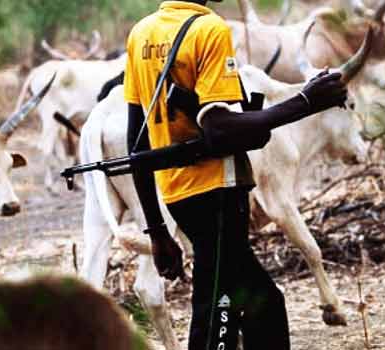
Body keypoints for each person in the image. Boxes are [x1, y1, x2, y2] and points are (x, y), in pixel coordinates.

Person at [123, 1, 347, 349]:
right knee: (217, 316)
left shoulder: (142, 33)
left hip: (179, 196)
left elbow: (136, 143)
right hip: (218, 193)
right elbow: (219, 127)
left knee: (265, 304)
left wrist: (157, 230)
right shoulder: (209, 29)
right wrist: (305, 101)